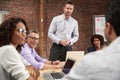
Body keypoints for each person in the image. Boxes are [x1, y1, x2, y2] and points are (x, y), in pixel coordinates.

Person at [61, 0, 120, 80]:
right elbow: (50, 33)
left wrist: (70, 41)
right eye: (67, 8)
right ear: (64, 8)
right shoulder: (56, 19)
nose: (69, 10)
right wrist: (60, 41)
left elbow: (76, 36)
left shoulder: (91, 61)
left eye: (71, 9)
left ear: (108, 28)